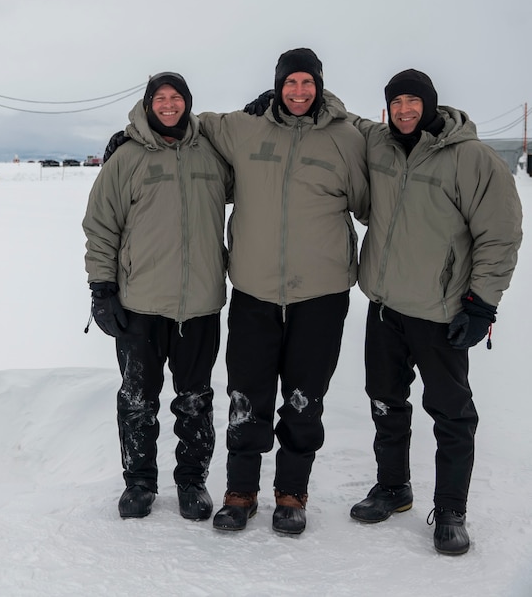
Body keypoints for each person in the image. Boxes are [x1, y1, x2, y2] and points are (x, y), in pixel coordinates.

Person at [346, 69, 522, 555]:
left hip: (440, 310)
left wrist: (483, 303)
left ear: (430, 104)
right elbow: (339, 116)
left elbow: (500, 235)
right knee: (385, 401)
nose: (404, 110)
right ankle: (393, 487)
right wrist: (276, 96)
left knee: (451, 414)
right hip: (384, 306)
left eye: (412, 101)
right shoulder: (378, 145)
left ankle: (450, 510)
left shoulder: (473, 159)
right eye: (395, 103)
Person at [196, 48, 370, 535]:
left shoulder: (346, 138)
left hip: (321, 293)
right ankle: (240, 492)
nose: (298, 93)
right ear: (276, 85)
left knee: (303, 396)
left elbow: (369, 202)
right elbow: (187, 122)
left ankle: (292, 493)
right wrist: (133, 134)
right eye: (289, 83)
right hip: (254, 289)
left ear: (320, 86)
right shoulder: (245, 127)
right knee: (246, 395)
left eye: (306, 84)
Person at [83, 72, 232, 520]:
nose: (168, 105)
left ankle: (192, 482)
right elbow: (101, 225)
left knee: (195, 399)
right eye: (160, 98)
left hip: (200, 302)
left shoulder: (211, 153)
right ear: (148, 104)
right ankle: (140, 483)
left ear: (188, 103)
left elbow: (255, 179)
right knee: (137, 399)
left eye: (176, 98)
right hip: (139, 302)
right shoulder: (126, 158)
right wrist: (101, 287)